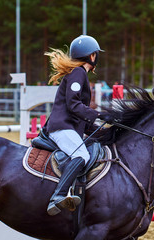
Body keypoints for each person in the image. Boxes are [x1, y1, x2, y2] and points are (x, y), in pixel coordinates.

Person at [42, 35, 114, 216]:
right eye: (97, 54)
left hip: (68, 127)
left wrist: (103, 129)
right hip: (61, 127)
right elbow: (73, 104)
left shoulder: (78, 73)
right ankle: (57, 196)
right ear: (92, 56)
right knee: (81, 154)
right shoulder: (78, 73)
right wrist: (98, 114)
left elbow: (80, 116)